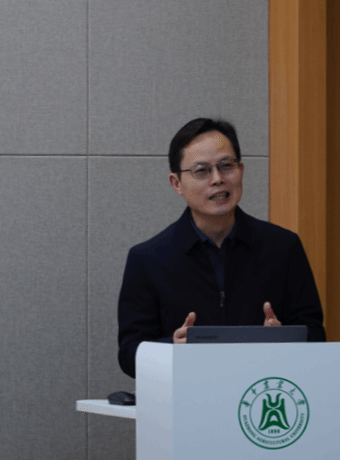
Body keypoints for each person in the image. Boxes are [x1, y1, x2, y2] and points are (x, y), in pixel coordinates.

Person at [117, 118, 326, 378]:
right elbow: (129, 353)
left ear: (241, 170)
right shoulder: (148, 259)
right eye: (202, 170)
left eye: (226, 166)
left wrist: (284, 338)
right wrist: (172, 348)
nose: (217, 179)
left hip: (262, 393)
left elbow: (315, 335)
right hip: (187, 395)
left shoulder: (284, 247)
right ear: (176, 183)